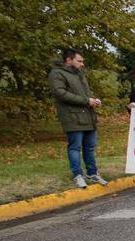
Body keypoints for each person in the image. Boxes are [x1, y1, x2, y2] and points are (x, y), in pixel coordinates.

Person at [49, 48, 107, 189]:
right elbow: (60, 93)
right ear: (69, 60)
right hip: (72, 117)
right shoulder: (56, 73)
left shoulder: (80, 74)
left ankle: (92, 173)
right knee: (75, 147)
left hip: (88, 116)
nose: (82, 64)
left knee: (90, 147)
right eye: (79, 61)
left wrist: (92, 99)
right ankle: (77, 175)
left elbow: (84, 94)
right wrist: (86, 101)